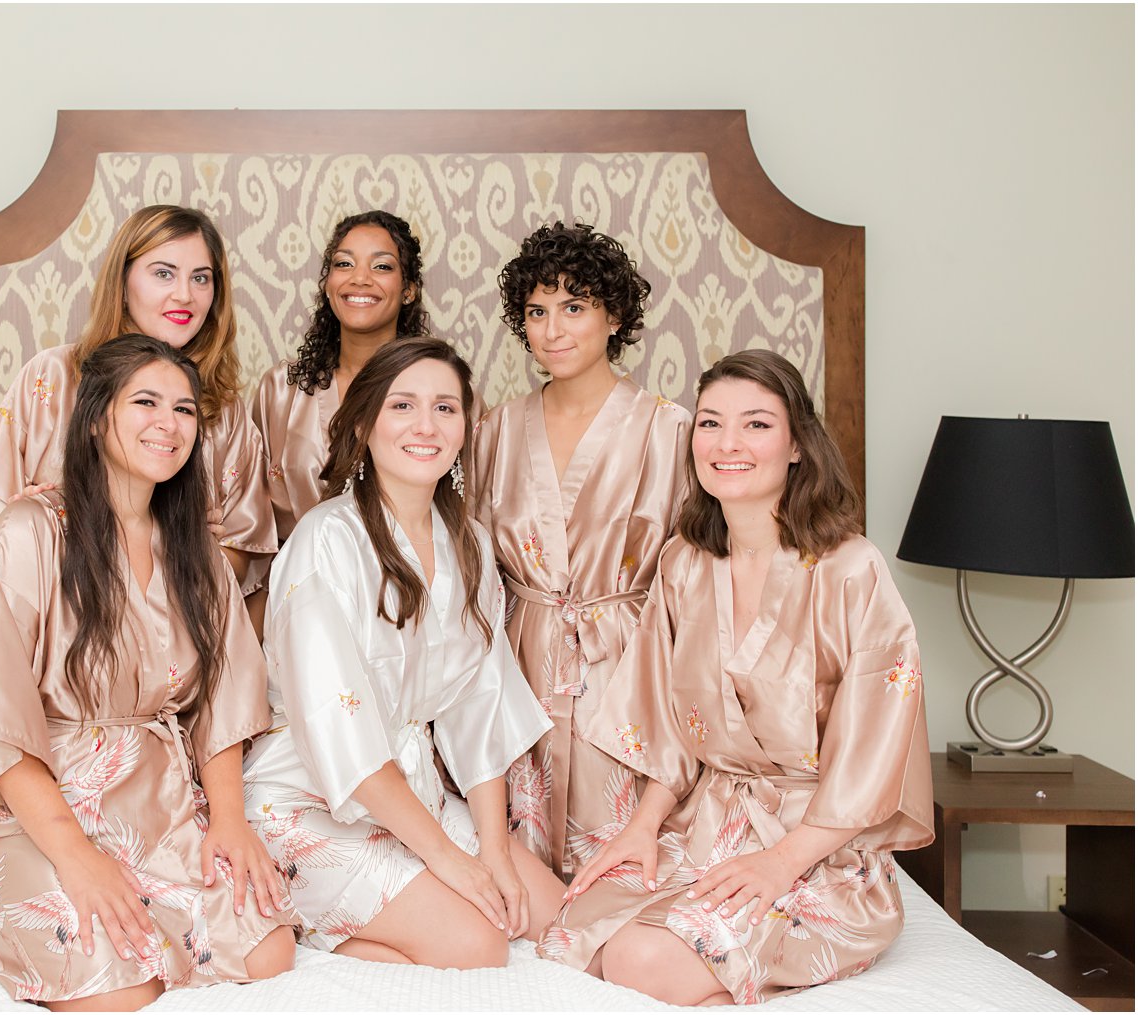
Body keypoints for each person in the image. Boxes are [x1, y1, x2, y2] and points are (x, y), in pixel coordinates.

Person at [545, 349, 933, 1004]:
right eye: (710, 423)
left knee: (641, 958)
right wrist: (642, 828)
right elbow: (664, 725)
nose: (727, 444)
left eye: (756, 424)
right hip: (705, 822)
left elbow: (874, 756)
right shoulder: (684, 562)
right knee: (571, 934)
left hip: (818, 844)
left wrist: (781, 861)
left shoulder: (850, 570)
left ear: (797, 446)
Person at [0, 336, 297, 1009]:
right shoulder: (28, 532)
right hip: (33, 793)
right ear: (98, 415)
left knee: (268, 948)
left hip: (155, 789)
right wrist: (76, 855)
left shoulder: (197, 549)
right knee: (117, 987)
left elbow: (226, 698)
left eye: (185, 409)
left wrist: (228, 819)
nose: (169, 423)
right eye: (146, 402)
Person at [242, 338, 563, 968]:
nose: (426, 426)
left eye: (446, 408)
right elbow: (341, 731)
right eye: (403, 406)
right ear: (364, 423)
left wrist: (492, 851)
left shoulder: (467, 541)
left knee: (554, 917)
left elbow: (483, 706)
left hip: (415, 795)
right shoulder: (325, 540)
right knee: (478, 943)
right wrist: (448, 860)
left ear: (466, 427)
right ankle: (316, 934)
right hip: (307, 798)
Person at [472, 222, 690, 877]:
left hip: (627, 658)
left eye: (575, 306)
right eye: (537, 311)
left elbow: (691, 575)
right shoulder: (495, 429)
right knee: (522, 865)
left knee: (621, 870)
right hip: (521, 657)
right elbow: (475, 566)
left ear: (613, 314)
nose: (553, 329)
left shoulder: (670, 427)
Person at [0, 203, 276, 595]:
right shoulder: (52, 377)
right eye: (164, 273)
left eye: (201, 278)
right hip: (57, 635)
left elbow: (244, 560)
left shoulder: (224, 408)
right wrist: (39, 519)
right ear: (123, 280)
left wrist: (192, 546)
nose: (184, 295)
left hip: (178, 641)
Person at [251, 210, 430, 546]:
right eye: (344, 264)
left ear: (408, 289)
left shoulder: (440, 391)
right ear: (327, 284)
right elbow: (252, 518)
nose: (359, 278)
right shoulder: (280, 389)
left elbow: (465, 509)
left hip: (407, 590)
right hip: (299, 588)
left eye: (382, 266)